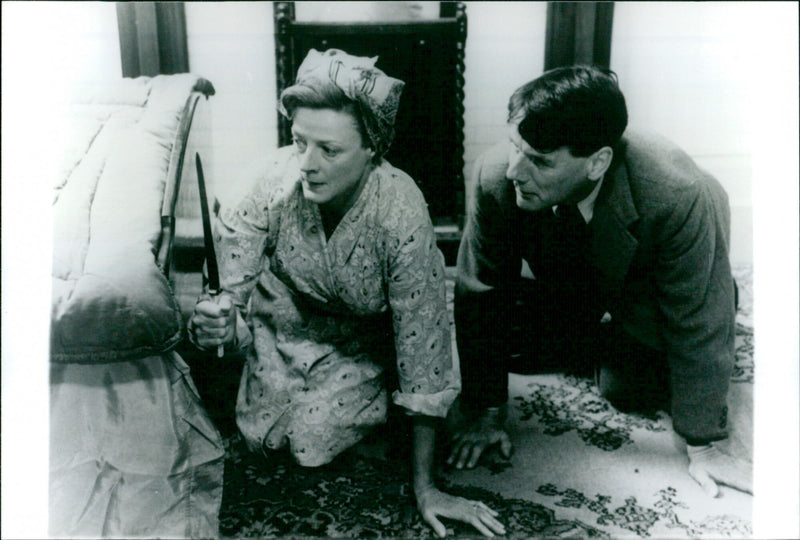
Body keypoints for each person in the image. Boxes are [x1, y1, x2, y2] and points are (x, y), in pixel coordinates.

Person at [190, 49, 506, 538]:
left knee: (312, 440)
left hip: (363, 344)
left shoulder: (401, 212)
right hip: (282, 325)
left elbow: (424, 356)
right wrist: (214, 324)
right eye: (299, 143)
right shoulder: (265, 184)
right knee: (262, 437)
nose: (307, 165)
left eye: (329, 150)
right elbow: (229, 310)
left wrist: (426, 489)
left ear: (371, 150)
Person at [447, 65, 752, 498]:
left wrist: (704, 444)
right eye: (516, 146)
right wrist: (485, 408)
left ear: (598, 161)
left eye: (539, 160)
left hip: (657, 293)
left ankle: (611, 346)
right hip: (575, 284)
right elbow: (480, 290)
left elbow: (700, 319)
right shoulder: (496, 173)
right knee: (501, 338)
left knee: (626, 388)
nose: (516, 170)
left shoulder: (680, 195)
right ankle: (596, 339)